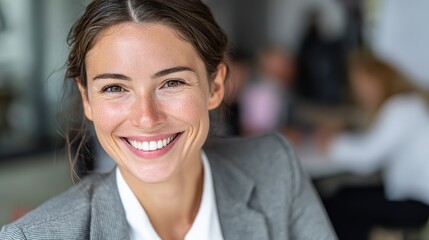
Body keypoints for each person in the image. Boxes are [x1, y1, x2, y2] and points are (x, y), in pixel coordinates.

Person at [0, 1, 336, 239]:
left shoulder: (275, 167)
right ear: (87, 98)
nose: (147, 118)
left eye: (171, 83)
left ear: (216, 86)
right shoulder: (32, 237)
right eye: (115, 87)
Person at [322, 50, 429, 240]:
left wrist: (329, 143)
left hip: (418, 203)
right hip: (408, 194)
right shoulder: (406, 103)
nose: (358, 90)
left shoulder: (401, 107)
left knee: (334, 205)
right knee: (342, 195)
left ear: (379, 78)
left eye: (362, 83)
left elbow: (367, 158)